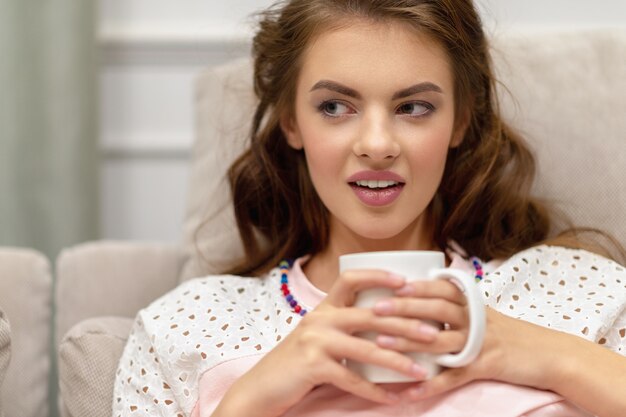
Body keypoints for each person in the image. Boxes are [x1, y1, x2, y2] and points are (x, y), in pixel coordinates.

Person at [112, 1, 626, 416]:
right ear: (291, 121)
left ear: (462, 120)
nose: (377, 144)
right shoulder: (184, 327)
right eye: (334, 107)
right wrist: (252, 399)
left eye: (413, 107)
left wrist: (551, 356)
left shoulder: (580, 293)